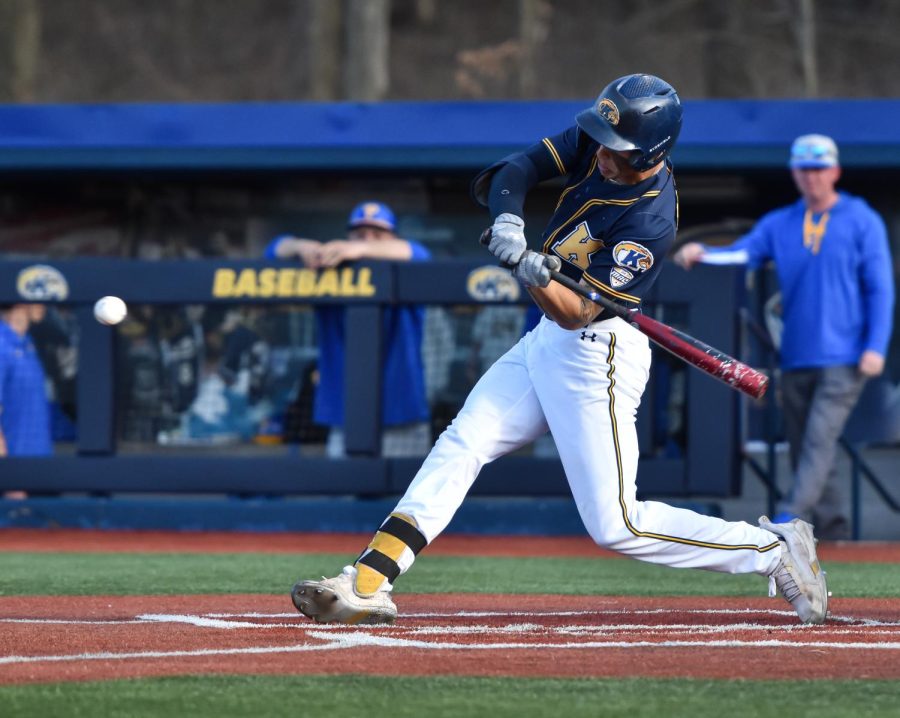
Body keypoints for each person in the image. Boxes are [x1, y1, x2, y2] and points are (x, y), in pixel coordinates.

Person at [290, 74, 828, 626]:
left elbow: (577, 313)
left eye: (617, 152)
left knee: (618, 524)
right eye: (600, 141)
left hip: (598, 351)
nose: (601, 155)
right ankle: (369, 579)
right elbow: (517, 168)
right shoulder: (602, 140)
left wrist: (528, 271)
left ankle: (772, 550)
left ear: (651, 153)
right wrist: (509, 220)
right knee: (463, 443)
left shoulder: (650, 219)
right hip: (547, 341)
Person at [674, 134, 895, 540]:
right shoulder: (781, 222)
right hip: (795, 355)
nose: (811, 177)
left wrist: (875, 346)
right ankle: (834, 529)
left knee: (817, 441)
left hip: (845, 358)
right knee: (804, 448)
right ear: (795, 173)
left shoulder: (863, 219)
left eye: (819, 168)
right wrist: (702, 252)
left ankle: (788, 519)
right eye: (804, 169)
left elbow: (880, 288)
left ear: (835, 171)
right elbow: (742, 253)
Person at [265, 201, 431, 457]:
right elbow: (272, 250)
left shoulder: (406, 270)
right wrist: (301, 247)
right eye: (359, 234)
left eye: (378, 234)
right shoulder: (330, 274)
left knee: (408, 496)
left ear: (393, 238)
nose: (367, 240)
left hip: (402, 416)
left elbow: (420, 254)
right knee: (347, 491)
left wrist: (359, 248)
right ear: (347, 236)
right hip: (346, 418)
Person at [0, 303, 52, 499]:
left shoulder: (28, 343)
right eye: (36, 299)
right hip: (14, 478)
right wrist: (8, 478)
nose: (44, 305)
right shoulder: (1, 344)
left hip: (40, 468)